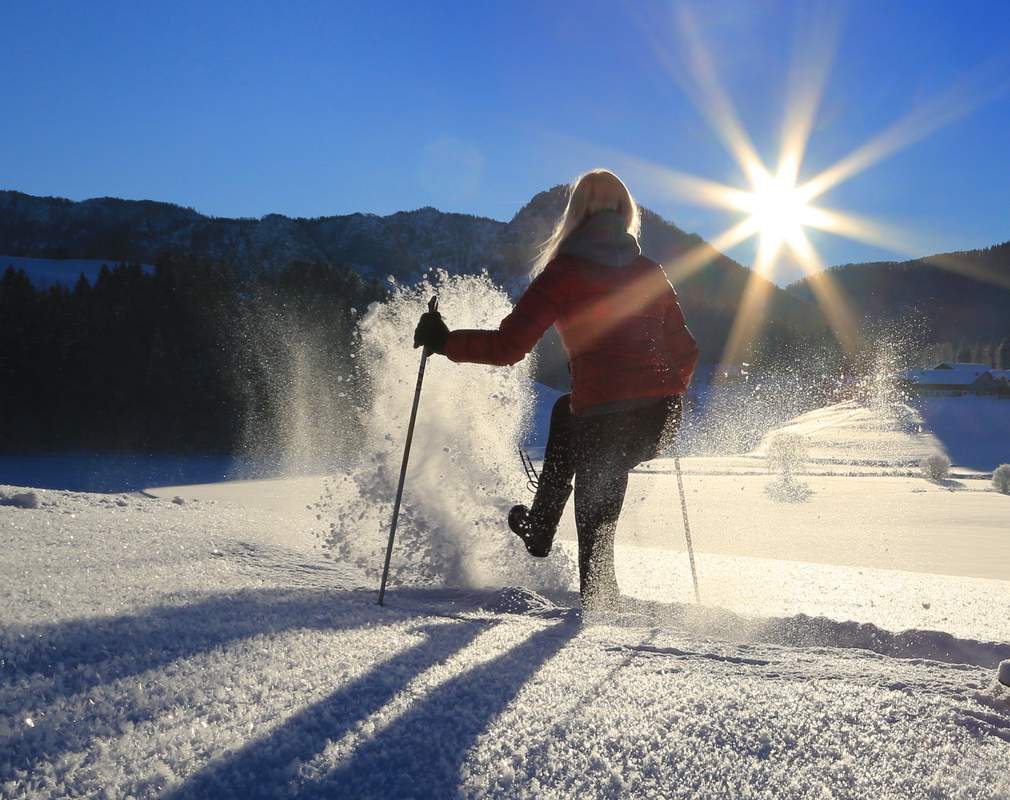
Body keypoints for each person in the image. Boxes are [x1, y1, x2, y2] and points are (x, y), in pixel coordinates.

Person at [413, 168, 699, 608]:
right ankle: (541, 527)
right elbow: (688, 350)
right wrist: (663, 394)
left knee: (596, 537)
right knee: (567, 413)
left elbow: (509, 347)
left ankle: (563, 558)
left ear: (576, 214)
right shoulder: (649, 271)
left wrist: (444, 341)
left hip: (604, 420)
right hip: (659, 418)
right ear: (626, 215)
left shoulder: (563, 273)